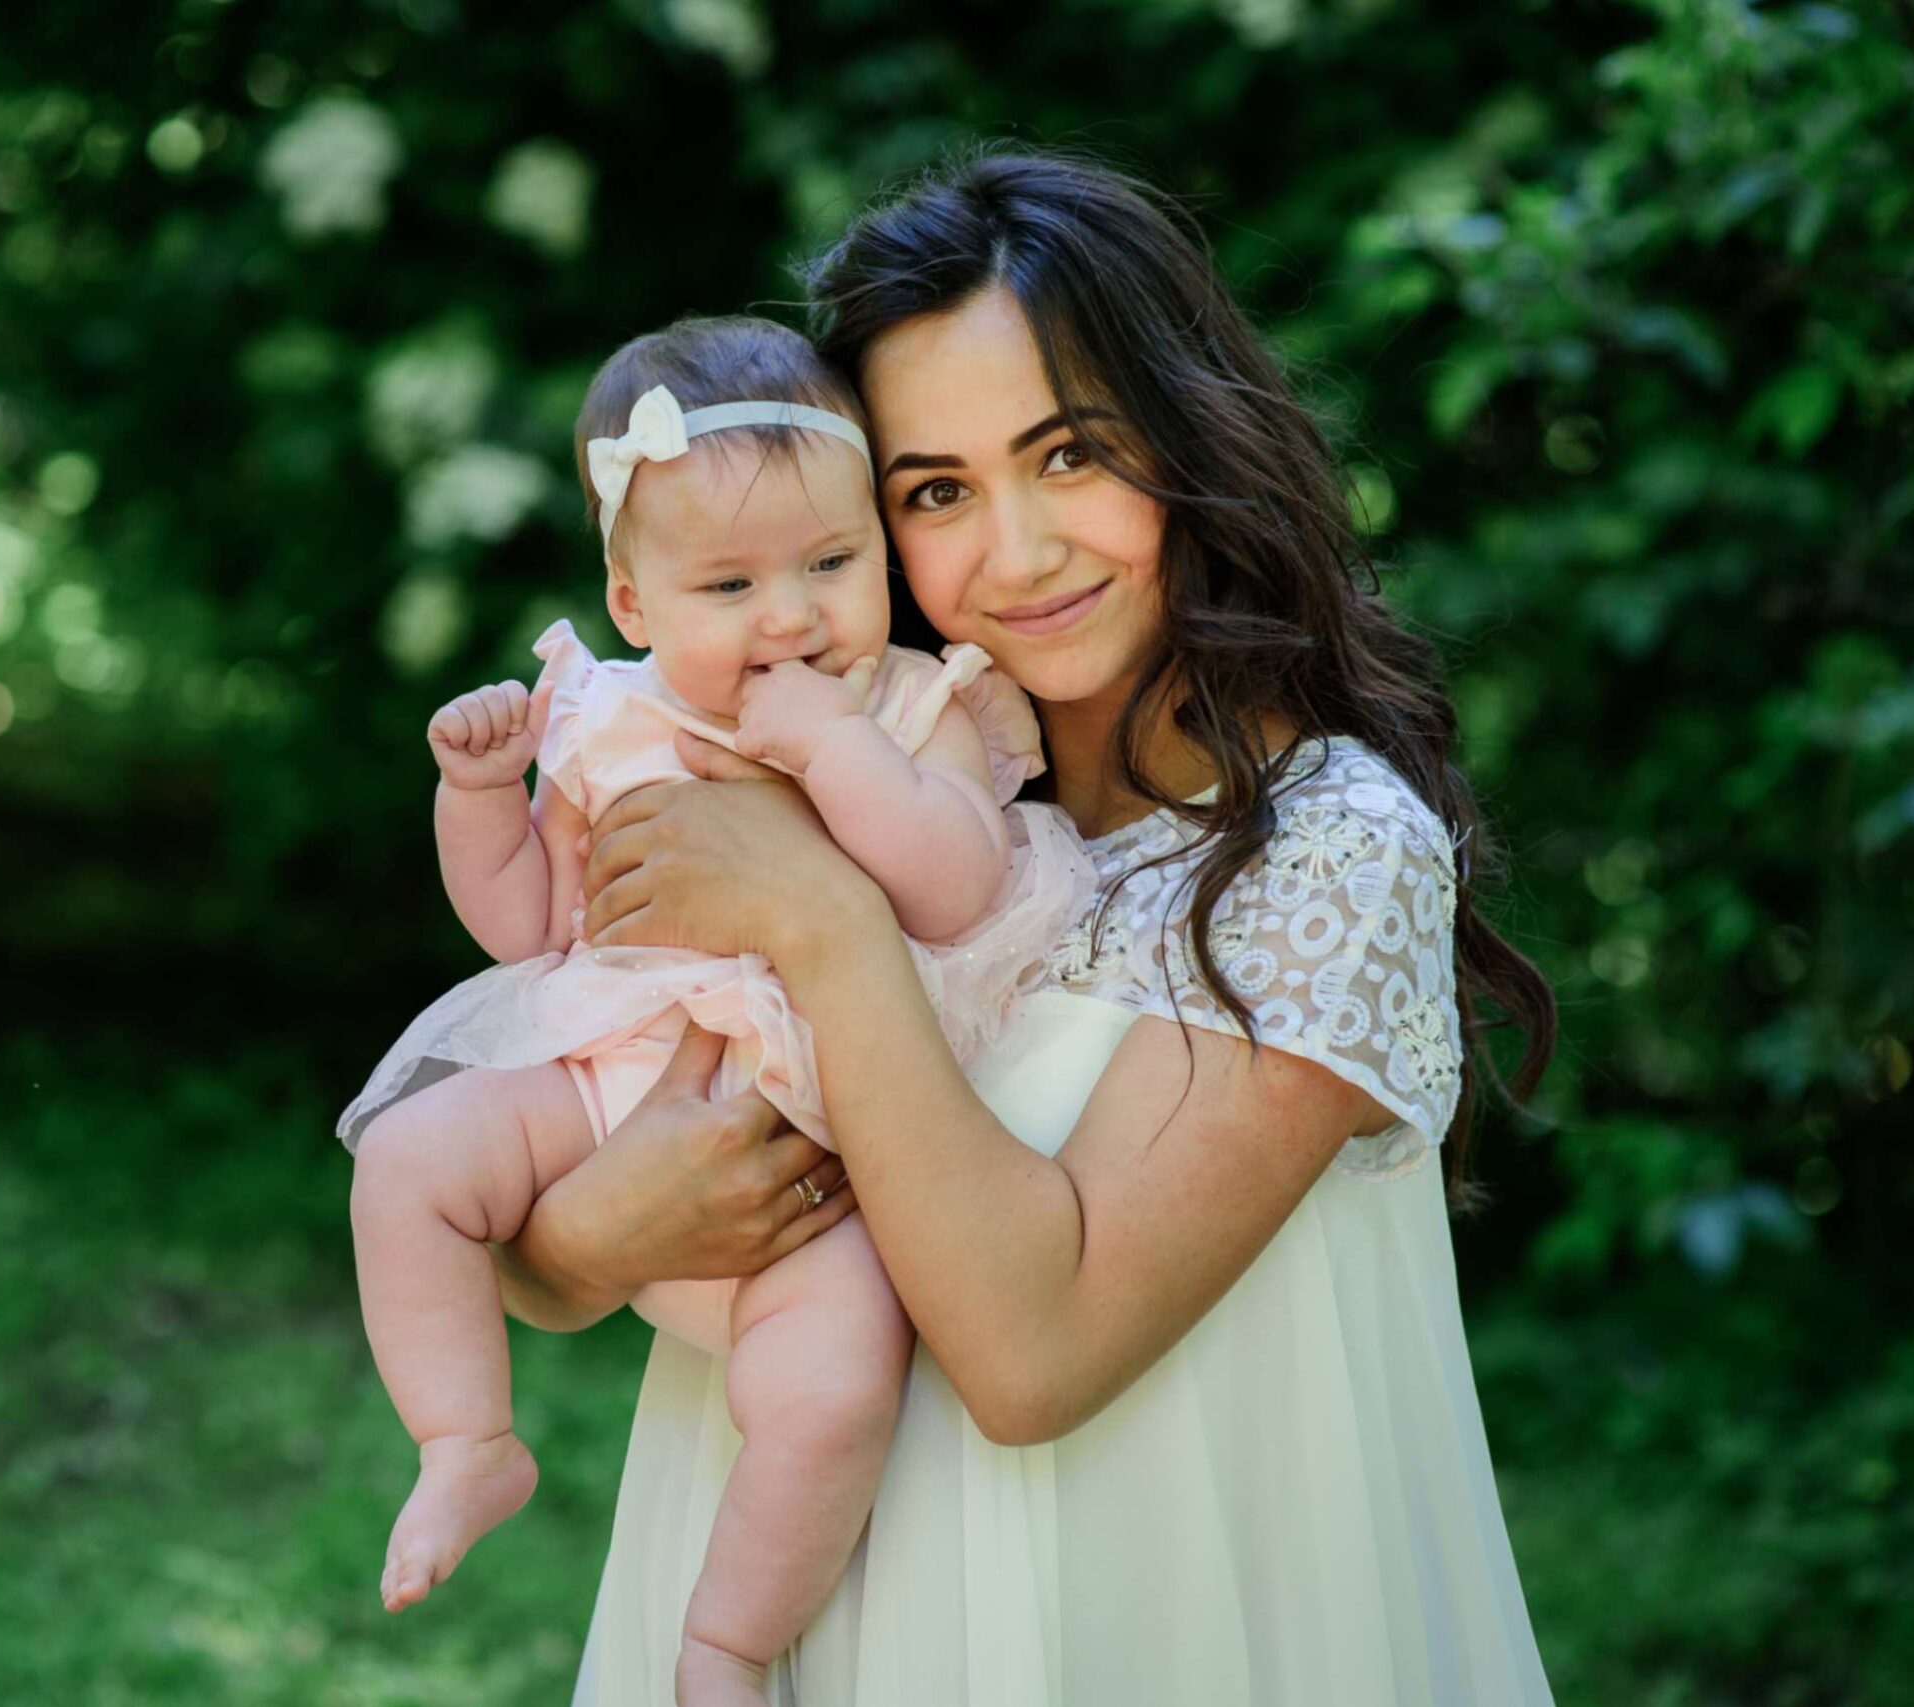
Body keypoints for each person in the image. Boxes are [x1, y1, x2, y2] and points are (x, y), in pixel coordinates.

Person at [492, 148, 1564, 1705]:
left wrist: (823, 924)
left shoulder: (1325, 853)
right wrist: (584, 1235)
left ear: (1192, 436)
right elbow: (569, 1184)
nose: (1018, 552)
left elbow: (1033, 1354)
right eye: (936, 491)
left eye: (1071, 456)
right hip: (794, 1609)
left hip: (1158, 1624)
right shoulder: (846, 787)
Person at [338, 315, 1093, 1704]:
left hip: (823, 1152)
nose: (793, 617)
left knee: (830, 1394)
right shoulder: (606, 719)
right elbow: (532, 925)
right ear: (636, 607)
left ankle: (726, 1643)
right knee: (404, 1162)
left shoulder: (917, 705)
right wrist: (477, 800)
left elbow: (952, 886)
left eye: (831, 562)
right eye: (730, 584)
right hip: (600, 1087)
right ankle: (465, 1443)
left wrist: (835, 748)